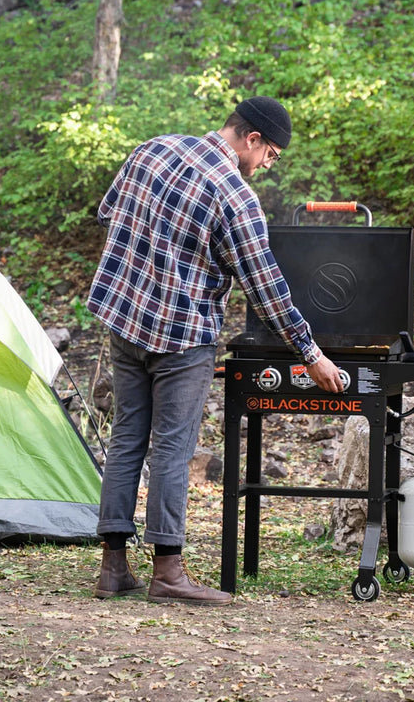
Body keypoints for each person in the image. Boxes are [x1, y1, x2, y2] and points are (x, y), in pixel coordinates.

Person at [86, 96, 344, 606]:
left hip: (123, 321)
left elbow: (107, 214)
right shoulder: (235, 196)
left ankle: (113, 568)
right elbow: (266, 289)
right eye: (271, 153)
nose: (270, 164)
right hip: (183, 337)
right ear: (251, 139)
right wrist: (311, 354)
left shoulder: (152, 150)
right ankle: (168, 573)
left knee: (126, 439)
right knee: (172, 449)